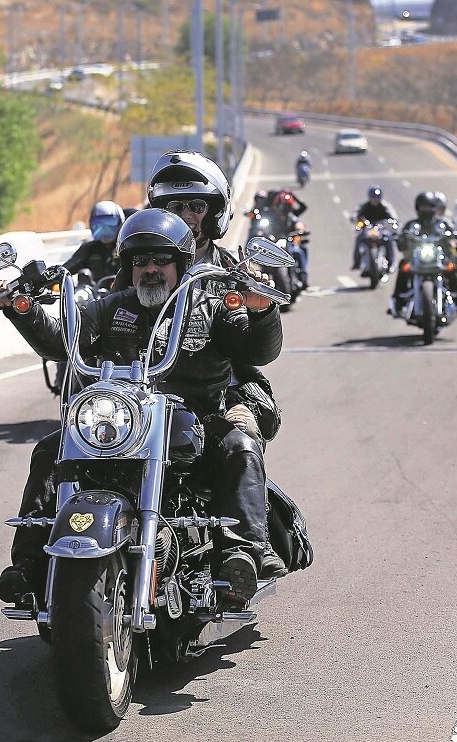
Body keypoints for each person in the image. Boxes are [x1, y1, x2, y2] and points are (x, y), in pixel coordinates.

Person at [0, 209, 284, 609]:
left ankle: (244, 554)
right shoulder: (110, 308)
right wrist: (24, 311)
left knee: (241, 447)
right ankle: (28, 564)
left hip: (194, 423)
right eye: (140, 261)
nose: (150, 269)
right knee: (50, 448)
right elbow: (64, 340)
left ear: (181, 263)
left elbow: (258, 351)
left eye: (161, 260)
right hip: (123, 423)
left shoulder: (212, 305)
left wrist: (261, 310)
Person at [145, 149, 289, 578]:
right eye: (174, 205)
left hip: (218, 393)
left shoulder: (230, 271)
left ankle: (248, 546)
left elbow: (255, 351)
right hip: (148, 395)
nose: (186, 215)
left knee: (241, 437)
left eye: (196, 205)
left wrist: (260, 310)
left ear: (215, 213)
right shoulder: (142, 264)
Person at [393, 191, 457, 314]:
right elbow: (401, 242)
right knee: (403, 266)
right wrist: (401, 238)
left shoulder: (442, 224)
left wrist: (454, 239)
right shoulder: (412, 225)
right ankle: (398, 300)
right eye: (423, 207)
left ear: (434, 207)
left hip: (439, 258)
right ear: (418, 208)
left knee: (454, 265)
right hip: (417, 259)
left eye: (428, 207)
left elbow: (454, 236)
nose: (426, 210)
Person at [62, 200, 125, 279]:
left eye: (110, 224)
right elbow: (67, 268)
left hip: (125, 287)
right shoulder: (89, 248)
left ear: (121, 224)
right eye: (98, 226)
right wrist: (55, 274)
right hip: (95, 286)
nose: (104, 230)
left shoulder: (126, 248)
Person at [352, 185, 399, 271]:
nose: (375, 200)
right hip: (368, 228)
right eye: (373, 198)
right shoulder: (364, 205)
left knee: (388, 239)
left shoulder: (385, 206)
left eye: (377, 198)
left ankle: (391, 263)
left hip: (381, 229)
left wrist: (392, 222)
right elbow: (356, 214)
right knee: (359, 238)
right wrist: (355, 219)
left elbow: (393, 217)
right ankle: (357, 263)